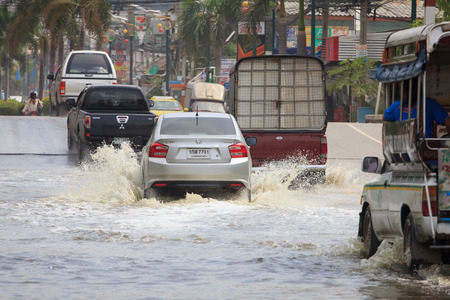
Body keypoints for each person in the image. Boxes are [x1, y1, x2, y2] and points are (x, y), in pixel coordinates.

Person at [383, 80, 450, 138]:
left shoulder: (396, 105)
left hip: (403, 148)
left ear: (403, 90)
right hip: (424, 147)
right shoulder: (429, 103)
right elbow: (448, 123)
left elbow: (385, 118)